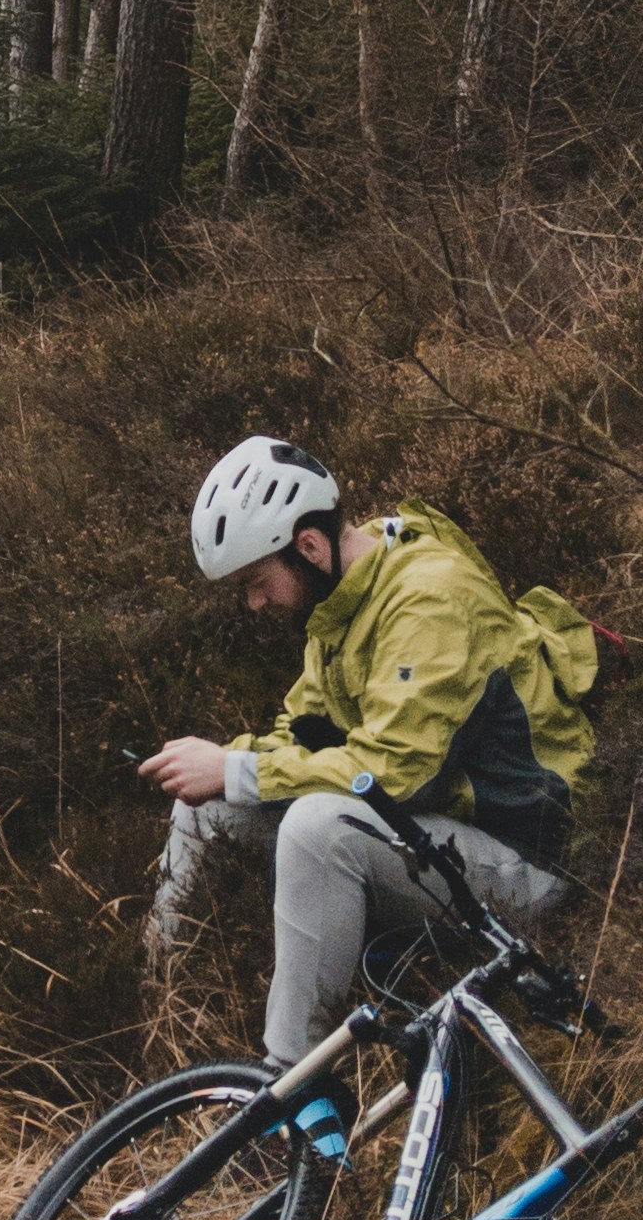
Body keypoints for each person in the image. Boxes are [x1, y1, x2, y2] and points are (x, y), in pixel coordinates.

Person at [136, 438, 599, 1140]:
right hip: (436, 839)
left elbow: (394, 771)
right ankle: (152, 1020)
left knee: (320, 829)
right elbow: (309, 731)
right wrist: (223, 768)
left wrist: (235, 765)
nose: (255, 604)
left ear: (310, 547)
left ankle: (293, 1093)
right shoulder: (341, 603)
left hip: (525, 865)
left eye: (257, 581)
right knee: (209, 809)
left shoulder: (428, 598)